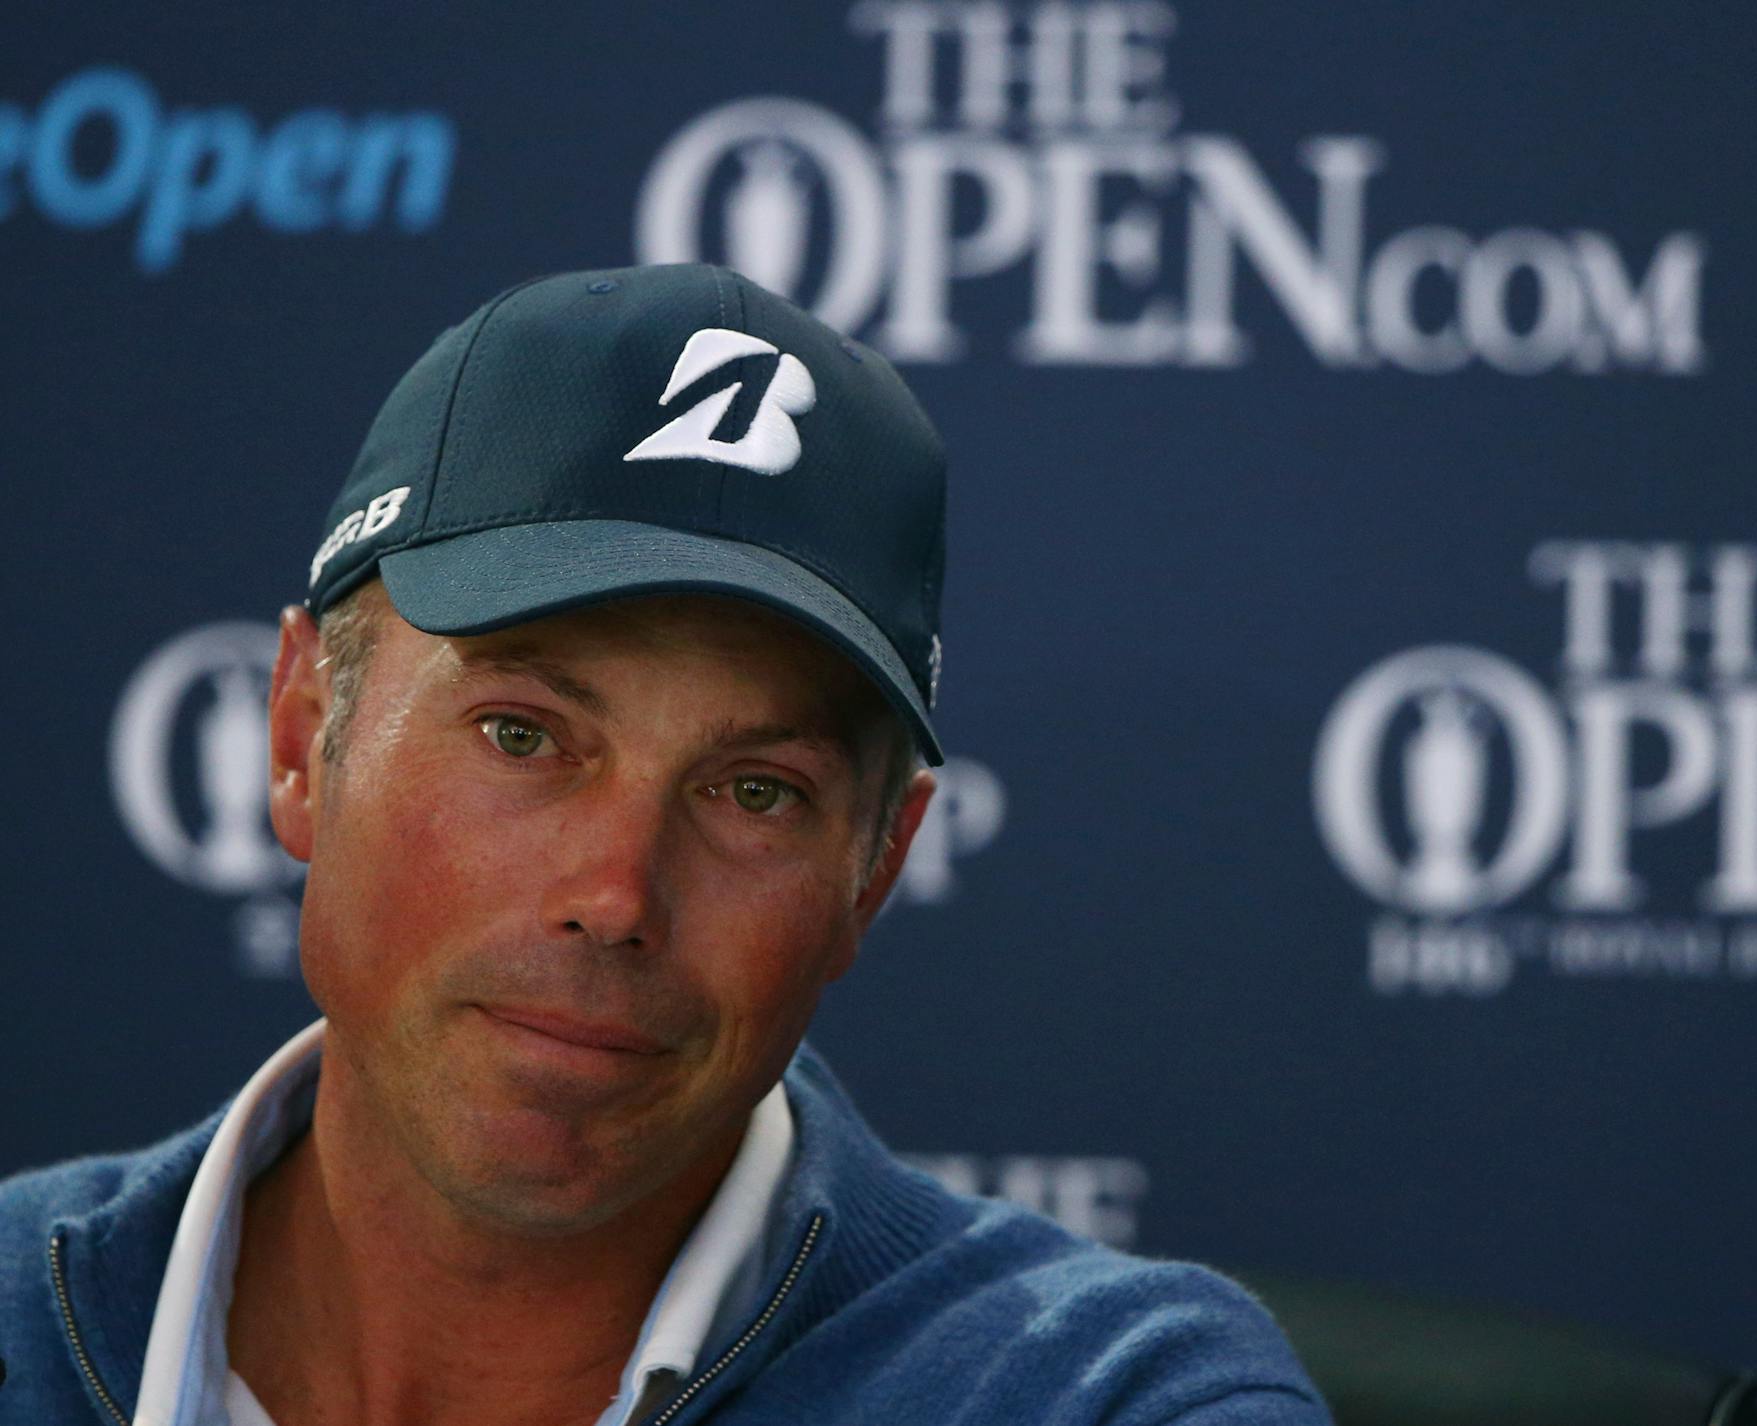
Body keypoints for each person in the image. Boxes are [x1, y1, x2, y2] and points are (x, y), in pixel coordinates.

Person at [0, 265, 1328, 1426]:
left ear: (875, 867)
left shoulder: (1102, 1397)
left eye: (755, 790)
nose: (616, 893)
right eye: (522, 735)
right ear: (303, 734)